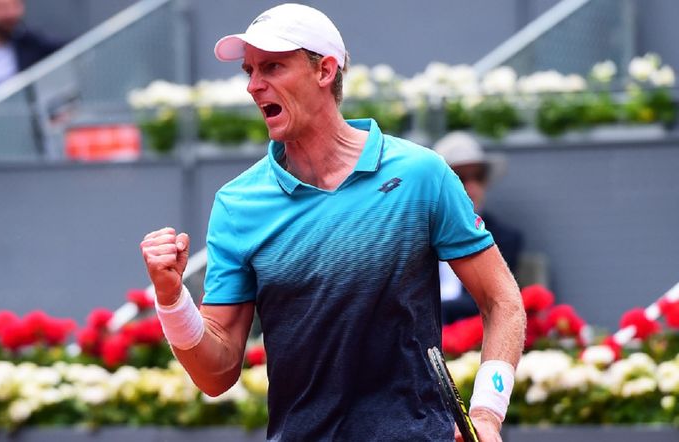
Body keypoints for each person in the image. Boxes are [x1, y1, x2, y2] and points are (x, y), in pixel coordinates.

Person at [140, 4, 525, 440]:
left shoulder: (422, 174)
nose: (253, 85)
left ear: (324, 70)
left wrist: (488, 411)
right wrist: (171, 299)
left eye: (272, 67)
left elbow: (502, 301)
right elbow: (216, 375)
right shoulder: (236, 204)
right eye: (249, 70)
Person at [433, 132, 524, 325]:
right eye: (459, 177)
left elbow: (495, 299)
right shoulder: (413, 232)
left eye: (478, 177)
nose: (472, 187)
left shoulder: (504, 238)